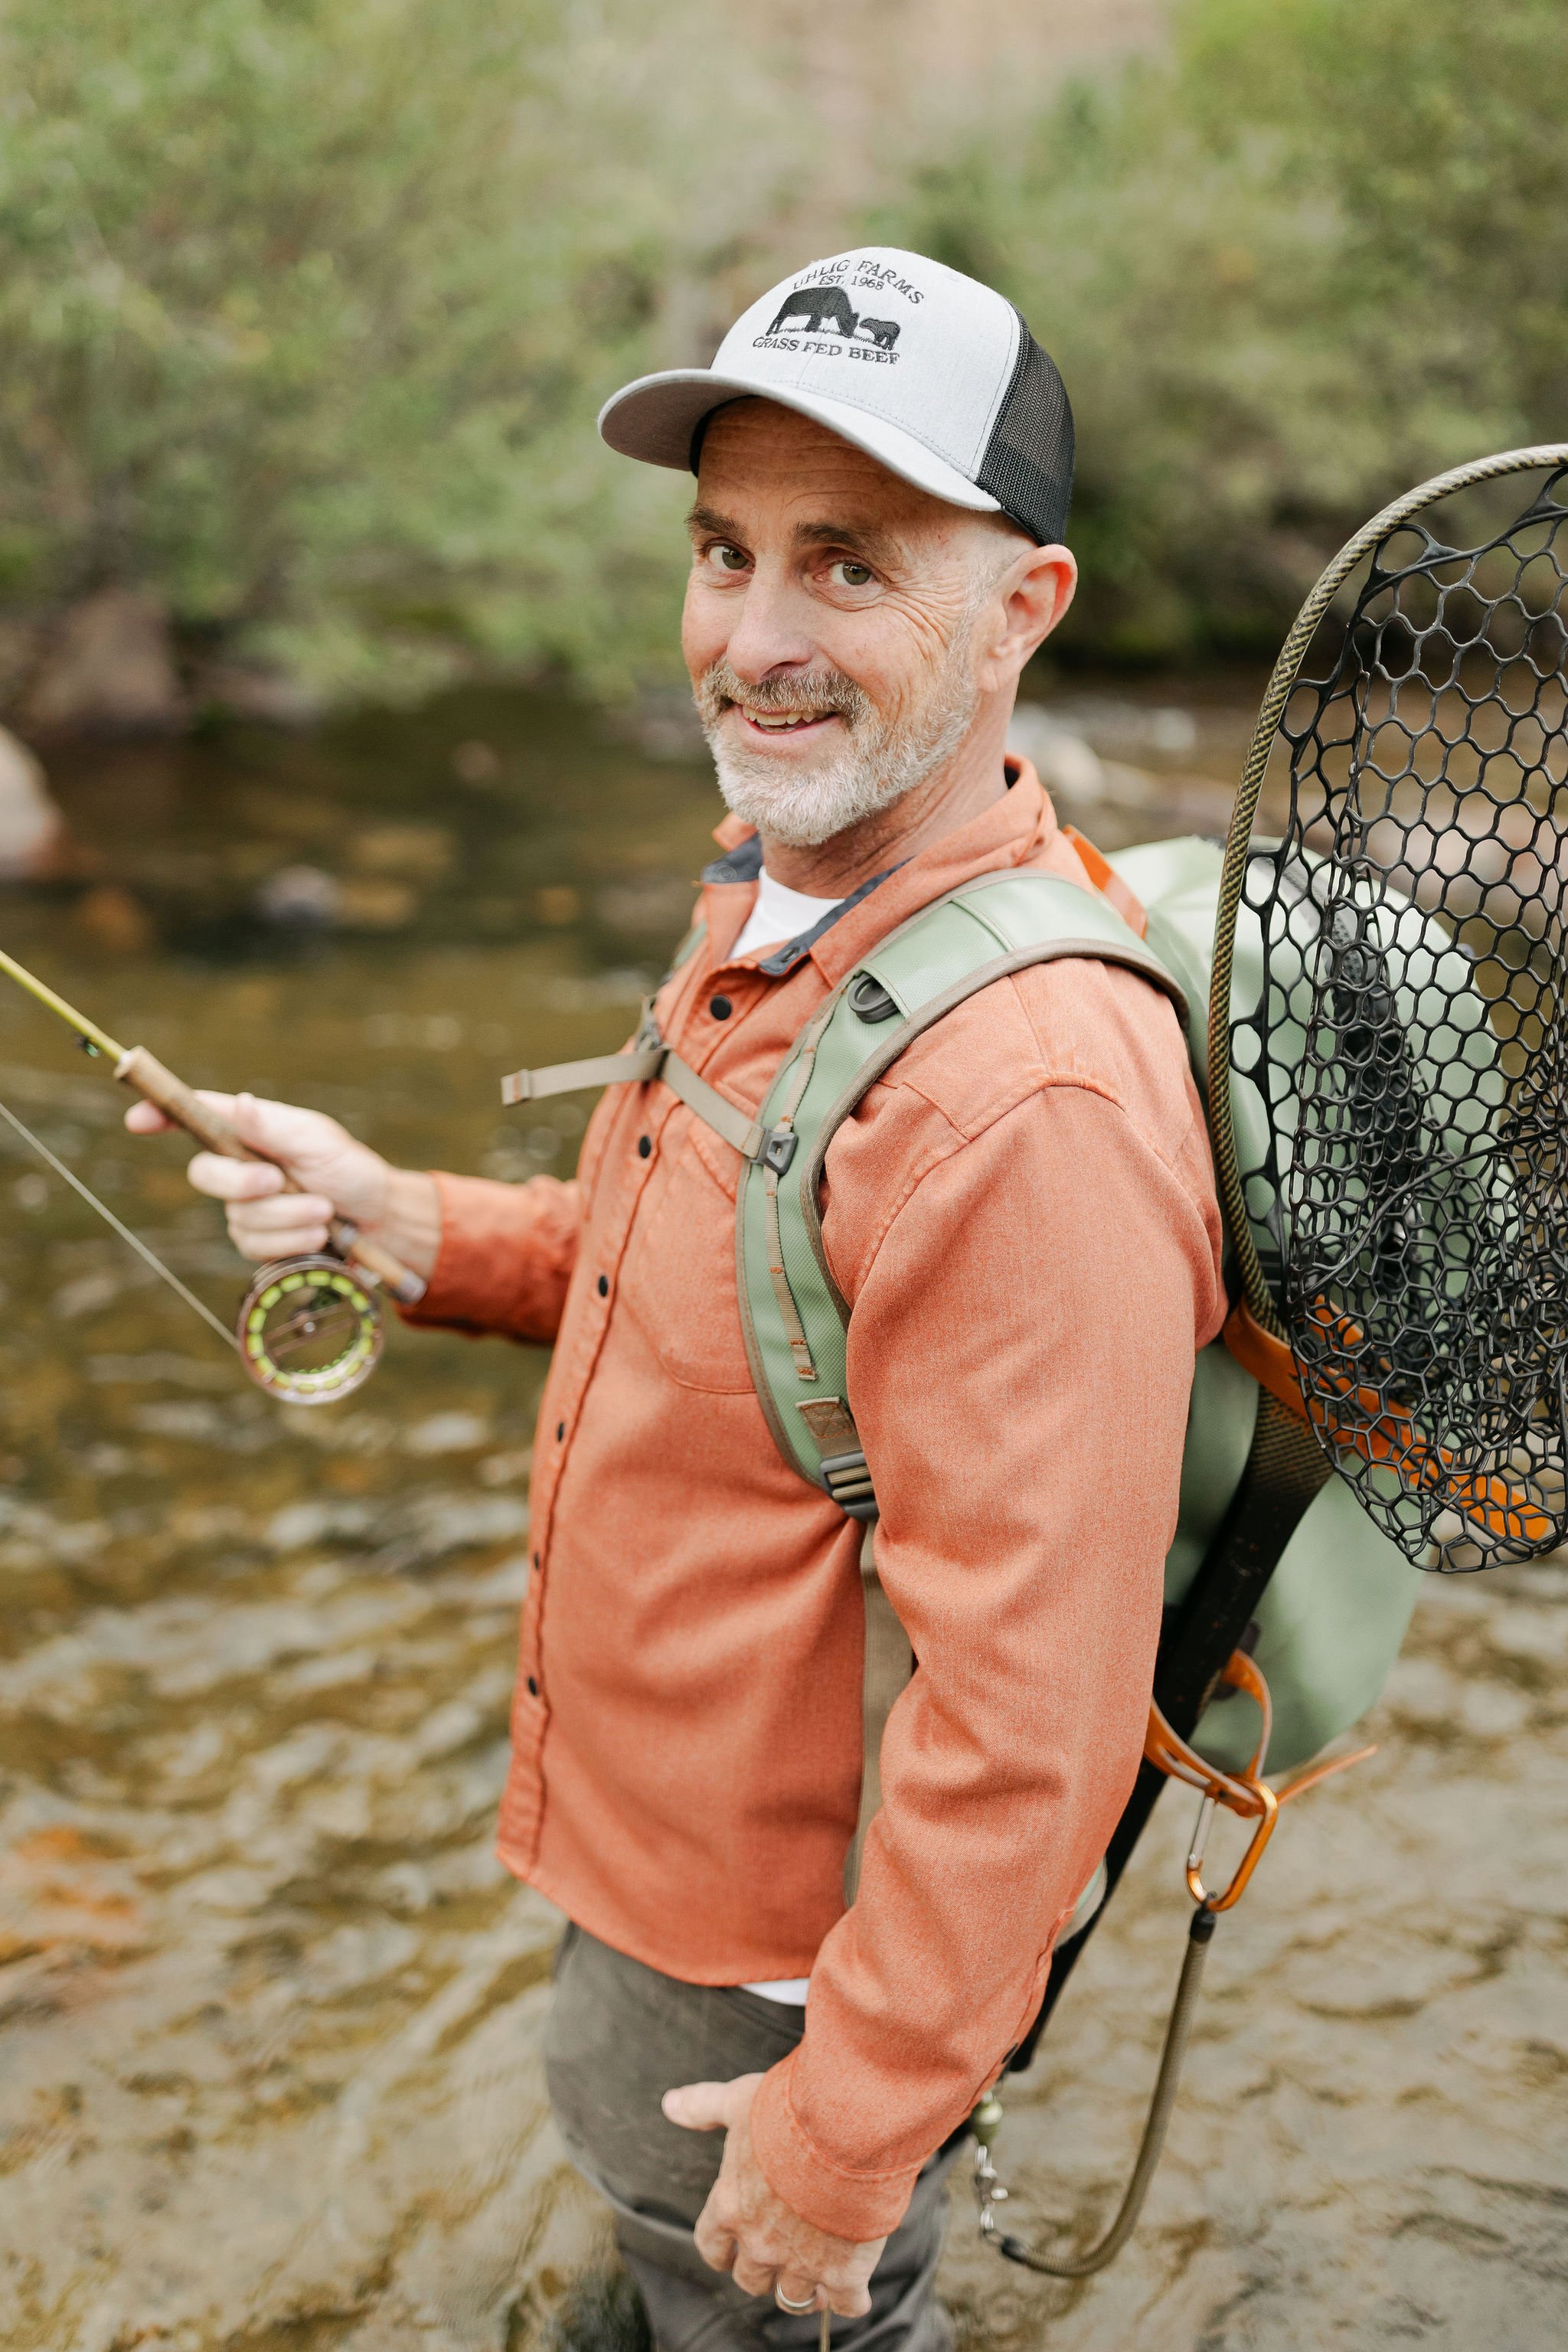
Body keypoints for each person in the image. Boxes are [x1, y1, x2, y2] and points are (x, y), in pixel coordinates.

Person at [129, 248, 1224, 2350]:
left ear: (1030, 609)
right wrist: (404, 1221)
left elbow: (1035, 1724)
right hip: (653, 1882)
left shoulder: (1031, 1102)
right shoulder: (774, 876)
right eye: (725, 551)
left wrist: (842, 2140)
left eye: (850, 562)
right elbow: (708, 1293)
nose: (756, 637)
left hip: (782, 1971)